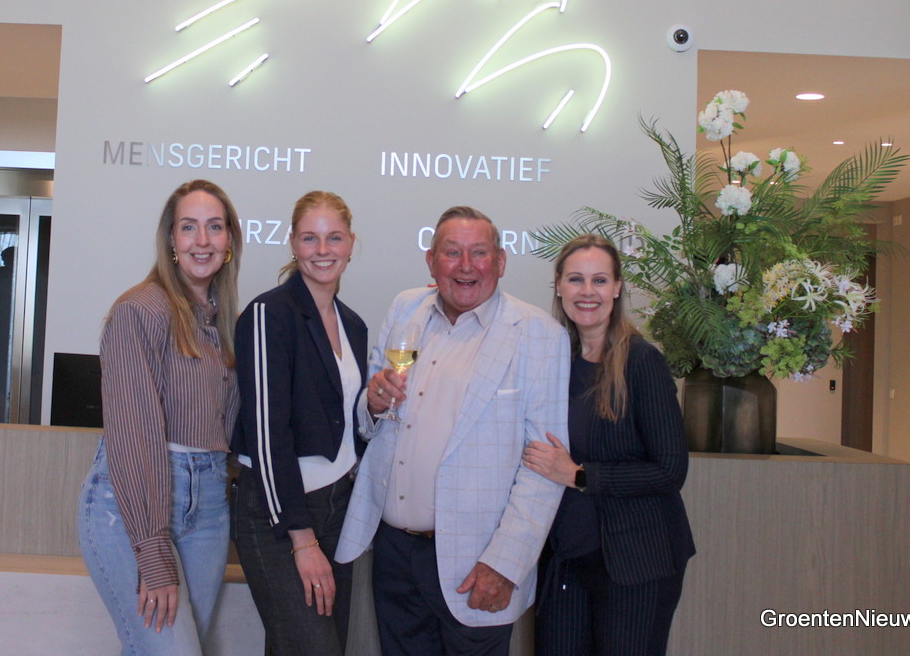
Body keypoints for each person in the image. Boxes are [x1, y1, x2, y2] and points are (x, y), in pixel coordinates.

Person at [336, 205, 571, 656]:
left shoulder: (539, 334)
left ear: (500, 262)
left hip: (477, 564)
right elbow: (370, 418)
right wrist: (373, 403)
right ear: (431, 261)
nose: (466, 266)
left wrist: (505, 564)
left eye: (479, 253)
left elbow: (544, 468)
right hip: (394, 554)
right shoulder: (405, 308)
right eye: (451, 252)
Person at [77, 179, 242, 656]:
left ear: (230, 240)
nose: (202, 241)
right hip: (133, 507)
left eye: (214, 227)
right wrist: (150, 548)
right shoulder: (139, 310)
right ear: (171, 239)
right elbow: (134, 437)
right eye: (188, 227)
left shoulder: (222, 322)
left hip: (208, 507)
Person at [522, 234, 695, 656]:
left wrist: (579, 475)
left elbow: (671, 470)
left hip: (634, 563)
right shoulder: (553, 361)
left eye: (599, 280)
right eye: (576, 279)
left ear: (617, 288)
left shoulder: (641, 361)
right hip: (564, 560)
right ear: (558, 286)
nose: (587, 291)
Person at [231, 190, 367, 655]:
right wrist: (302, 539)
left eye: (334, 237)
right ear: (292, 243)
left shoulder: (353, 324)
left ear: (351, 244)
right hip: (281, 515)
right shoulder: (269, 314)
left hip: (338, 508)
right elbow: (267, 435)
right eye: (310, 238)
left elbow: (342, 421)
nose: (323, 250)